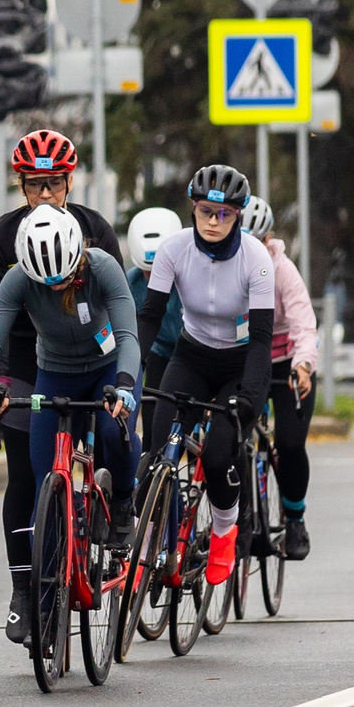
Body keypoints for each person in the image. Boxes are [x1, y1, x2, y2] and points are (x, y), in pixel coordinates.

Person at [0, 207, 140, 641]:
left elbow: (128, 337)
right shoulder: (17, 279)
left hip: (108, 370)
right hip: (53, 372)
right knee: (43, 482)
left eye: (64, 278)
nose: (57, 287)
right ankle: (44, 604)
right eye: (45, 282)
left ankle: (123, 500)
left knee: (111, 432)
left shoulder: (102, 266)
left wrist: (124, 387)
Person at [133, 164, 274, 598]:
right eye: (205, 211)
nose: (213, 222)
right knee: (157, 453)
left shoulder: (256, 259)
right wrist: (128, 374)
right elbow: (150, 318)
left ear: (239, 215)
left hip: (237, 364)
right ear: (193, 208)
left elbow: (263, 339)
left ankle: (225, 532)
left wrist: (250, 396)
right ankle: (146, 551)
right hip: (191, 356)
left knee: (216, 458)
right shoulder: (174, 250)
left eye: (225, 214)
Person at [241, 195, 318, 560]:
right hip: (247, 360)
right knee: (232, 437)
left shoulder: (283, 270)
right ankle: (239, 518)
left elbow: (304, 324)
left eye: (260, 242)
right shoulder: (225, 265)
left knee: (289, 442)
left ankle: (295, 518)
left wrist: (303, 366)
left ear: (269, 238)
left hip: (287, 363)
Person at [123, 206, 184, 387]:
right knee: (152, 401)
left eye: (161, 272)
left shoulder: (190, 276)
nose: (155, 280)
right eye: (147, 272)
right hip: (159, 350)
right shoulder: (131, 282)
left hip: (195, 349)